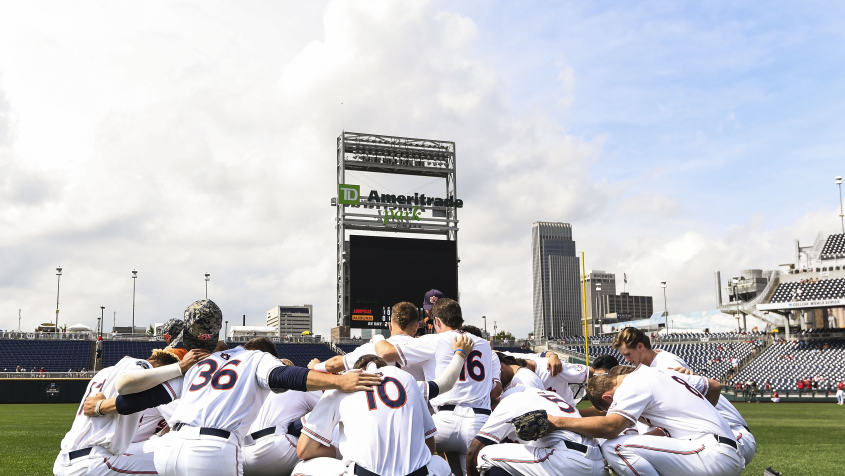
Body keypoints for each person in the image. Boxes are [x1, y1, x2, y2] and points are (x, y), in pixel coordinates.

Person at [81, 301, 383, 476]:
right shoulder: (255, 358)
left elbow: (150, 398)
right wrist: (338, 380)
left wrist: (99, 406)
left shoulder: (196, 364)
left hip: (169, 450)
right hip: (212, 451)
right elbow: (287, 376)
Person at [545, 366, 743, 476]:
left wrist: (557, 421)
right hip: (721, 449)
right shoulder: (657, 372)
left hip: (712, 453)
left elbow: (611, 426)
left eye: (608, 408)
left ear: (607, 398)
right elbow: (713, 386)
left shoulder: (632, 384)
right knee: (642, 452)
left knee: (615, 447)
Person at [375, 297, 496, 475]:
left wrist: (377, 337)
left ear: (437, 321)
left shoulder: (435, 340)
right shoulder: (485, 345)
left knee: (404, 454)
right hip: (479, 422)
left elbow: (385, 352)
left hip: (443, 422)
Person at [53, 344, 207, 476]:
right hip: (94, 463)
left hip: (67, 460)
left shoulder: (104, 372)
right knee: (182, 467)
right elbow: (128, 381)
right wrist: (179, 369)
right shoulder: (139, 365)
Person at [293, 355, 455, 476]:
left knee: (301, 468)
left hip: (365, 473)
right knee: (440, 464)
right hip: (417, 473)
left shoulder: (341, 385)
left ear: (354, 372)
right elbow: (430, 447)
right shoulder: (409, 380)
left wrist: (341, 452)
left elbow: (304, 450)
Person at [466, 386, 605, 476]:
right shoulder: (549, 395)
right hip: (598, 461)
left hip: (566, 460)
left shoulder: (512, 399)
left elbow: (473, 452)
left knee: (485, 455)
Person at [312, 302, 426, 380]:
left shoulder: (371, 348)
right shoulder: (425, 348)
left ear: (390, 326)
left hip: (383, 411)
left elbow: (334, 364)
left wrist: (316, 366)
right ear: (416, 327)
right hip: (417, 412)